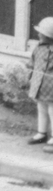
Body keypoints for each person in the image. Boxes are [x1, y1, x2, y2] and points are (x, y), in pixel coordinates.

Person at [30, 17, 53, 150]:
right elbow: (32, 63)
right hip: (39, 85)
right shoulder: (38, 48)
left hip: (51, 88)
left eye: (41, 33)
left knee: (52, 110)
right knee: (41, 109)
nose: (38, 35)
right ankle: (41, 133)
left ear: (49, 36)